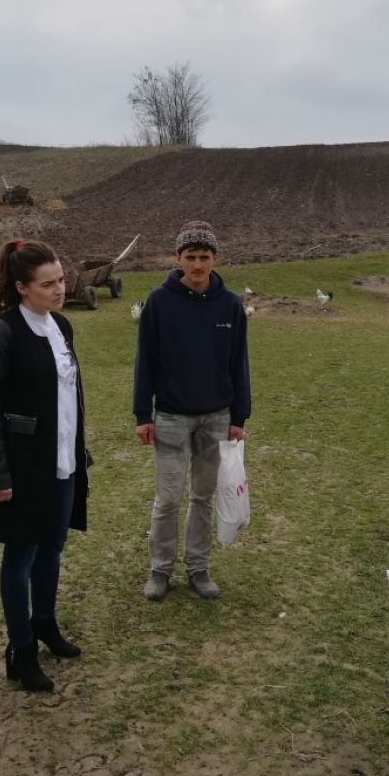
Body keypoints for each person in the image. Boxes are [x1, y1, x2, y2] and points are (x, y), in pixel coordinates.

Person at [0, 239, 90, 692]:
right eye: (48, 284)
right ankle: (20, 649)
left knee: (52, 546)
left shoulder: (61, 325)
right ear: (22, 287)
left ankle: (44, 622)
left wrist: (77, 452)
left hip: (62, 462)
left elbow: (67, 395)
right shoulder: (1, 332)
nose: (60, 289)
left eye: (61, 279)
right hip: (23, 467)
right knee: (20, 555)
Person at [134, 220, 251, 601]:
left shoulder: (230, 305)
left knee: (203, 496)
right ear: (178, 259)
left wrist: (238, 417)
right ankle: (160, 569)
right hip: (170, 416)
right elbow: (145, 360)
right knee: (168, 498)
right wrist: (143, 414)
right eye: (190, 257)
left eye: (204, 257)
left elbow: (238, 362)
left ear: (215, 258)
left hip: (216, 417)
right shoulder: (158, 302)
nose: (197, 265)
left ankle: (199, 568)